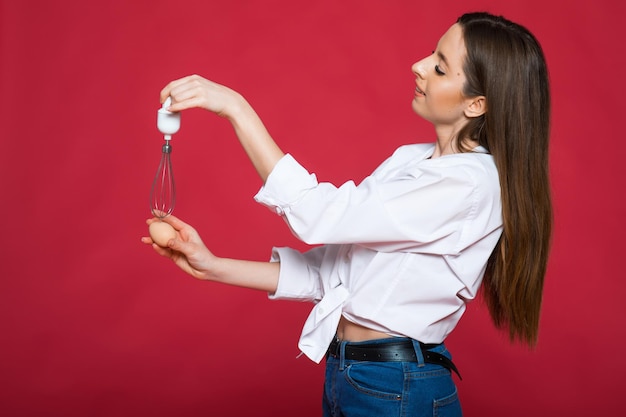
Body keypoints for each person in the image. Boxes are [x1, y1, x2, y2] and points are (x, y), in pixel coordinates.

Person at [142, 11, 552, 417]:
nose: (419, 66)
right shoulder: (411, 162)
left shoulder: (469, 184)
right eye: (431, 54)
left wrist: (236, 108)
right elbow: (334, 276)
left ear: (477, 104)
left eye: (440, 68)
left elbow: (319, 216)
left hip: (395, 387)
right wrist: (212, 266)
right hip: (354, 375)